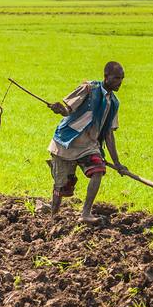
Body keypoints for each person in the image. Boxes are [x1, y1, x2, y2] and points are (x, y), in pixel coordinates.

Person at [45, 61, 129, 225]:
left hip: (88, 146)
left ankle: (85, 213)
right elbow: (68, 109)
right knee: (61, 185)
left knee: (98, 170)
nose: (120, 82)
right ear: (106, 76)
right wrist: (60, 109)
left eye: (122, 79)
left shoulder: (114, 103)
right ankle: (53, 217)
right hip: (66, 143)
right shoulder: (88, 88)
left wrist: (118, 163)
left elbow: (109, 134)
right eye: (116, 78)